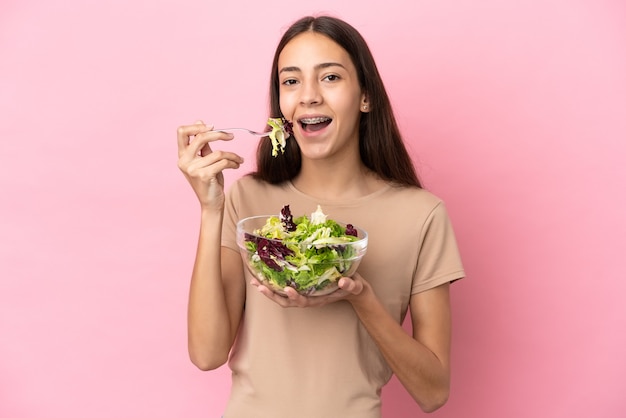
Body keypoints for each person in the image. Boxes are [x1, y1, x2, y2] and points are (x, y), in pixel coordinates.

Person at [176, 15, 465, 418]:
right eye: (291, 81)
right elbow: (207, 354)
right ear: (281, 106)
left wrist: (360, 298)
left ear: (365, 97)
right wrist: (211, 210)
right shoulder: (249, 199)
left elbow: (433, 392)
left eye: (329, 77)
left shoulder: (421, 215)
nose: (307, 96)